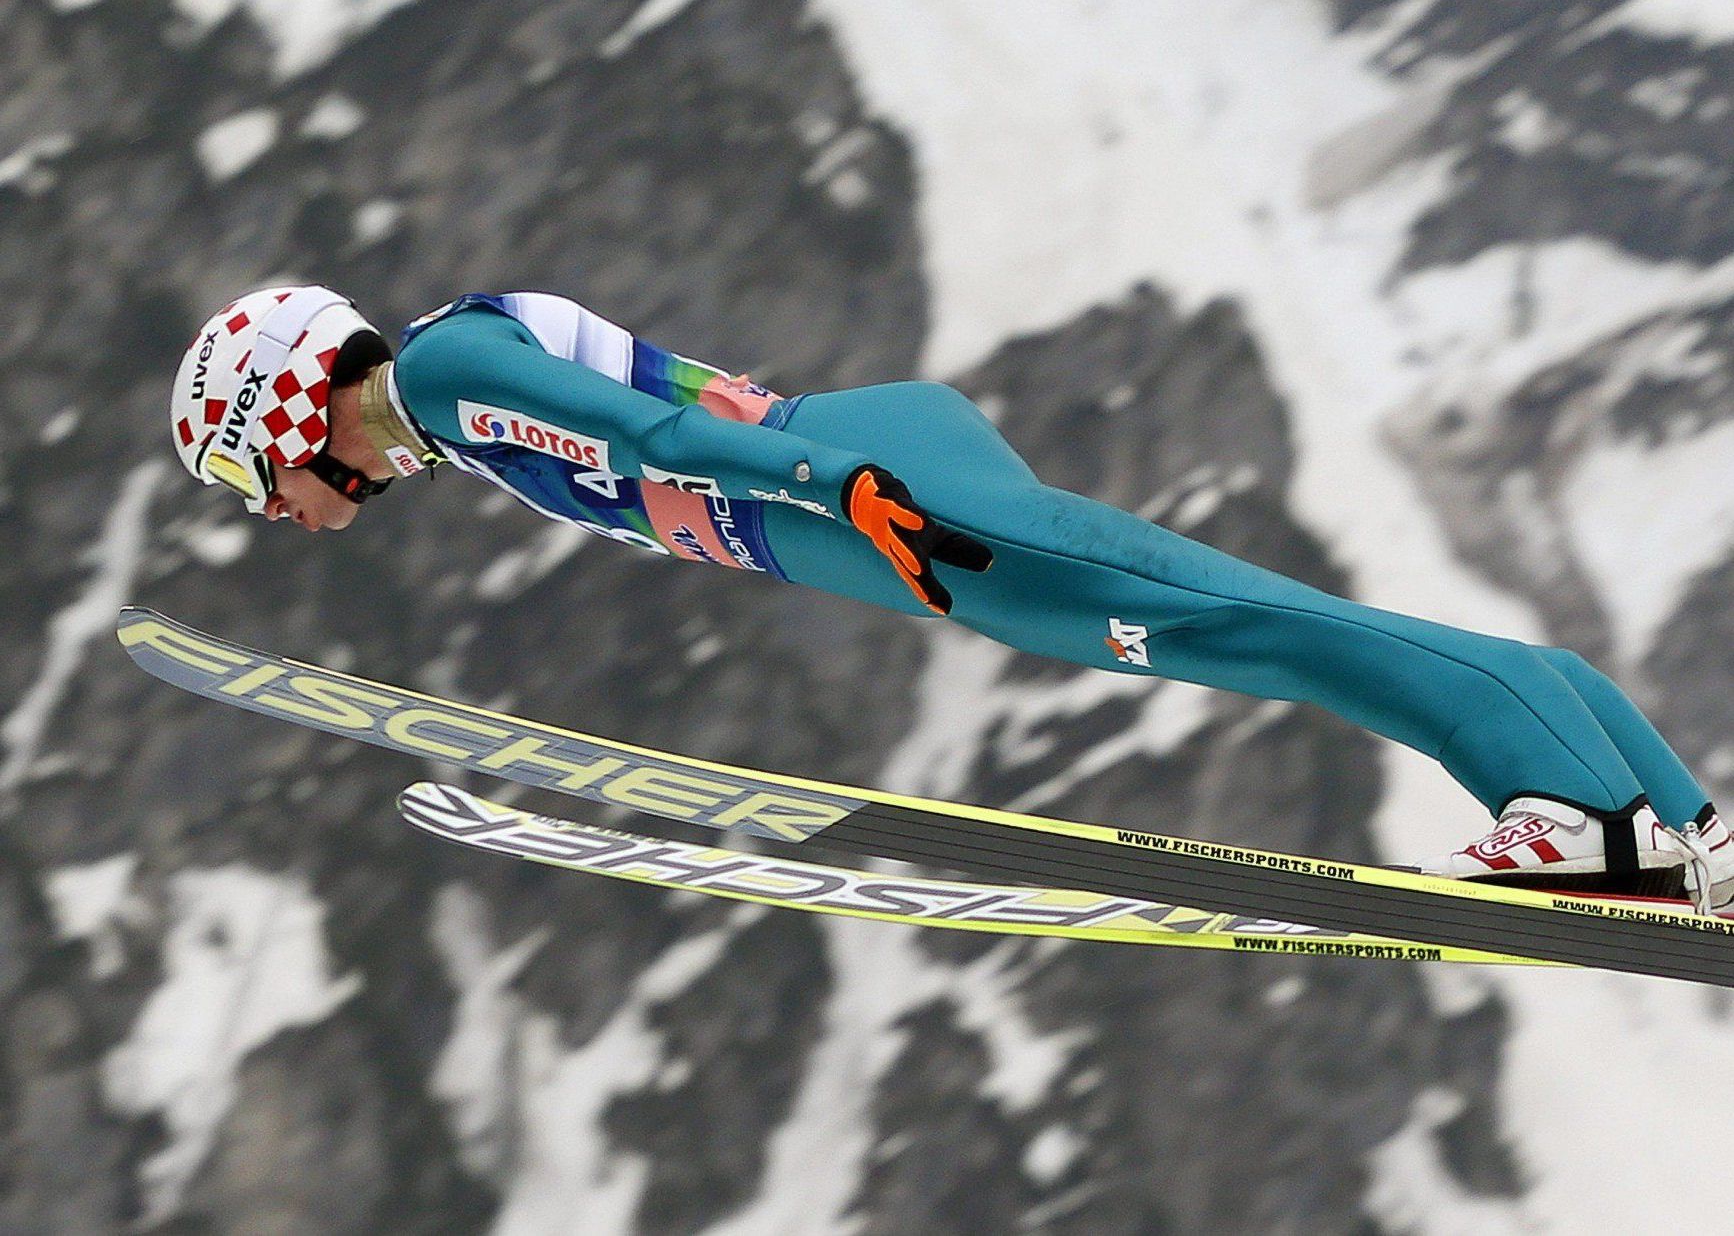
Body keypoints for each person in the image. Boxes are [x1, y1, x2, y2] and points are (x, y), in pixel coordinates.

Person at [170, 285, 1734, 912]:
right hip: (849, 497)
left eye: (257, 484)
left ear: (276, 410)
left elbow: (650, 436)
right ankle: (1685, 836)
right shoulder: (442, 398)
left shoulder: (439, 372)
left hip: (858, 492)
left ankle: (1587, 827)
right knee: (1231, 620)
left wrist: (830, 488)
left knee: (1244, 627)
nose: (286, 516)